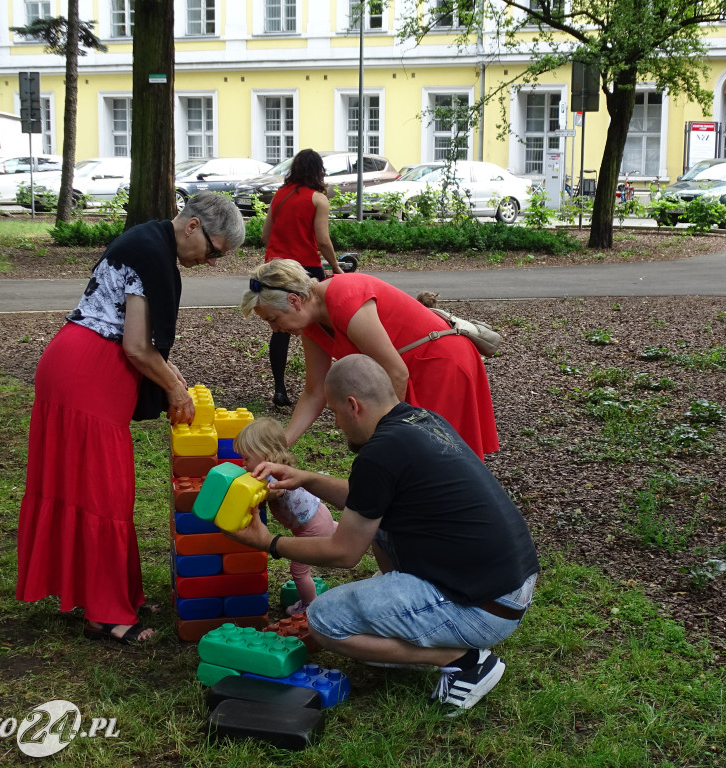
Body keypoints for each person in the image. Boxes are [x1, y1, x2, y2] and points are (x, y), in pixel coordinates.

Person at [229, 354, 538, 714]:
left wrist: (269, 543)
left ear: (353, 405)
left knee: (323, 622)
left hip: (483, 608)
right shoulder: (420, 420)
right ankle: (416, 622)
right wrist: (308, 478)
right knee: (378, 523)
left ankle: (465, 660)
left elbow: (345, 553)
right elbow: (367, 500)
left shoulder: (379, 454)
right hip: (509, 587)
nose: (336, 424)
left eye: (333, 413)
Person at [16, 192, 246, 645]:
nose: (213, 262)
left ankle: (120, 593)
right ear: (194, 227)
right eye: (216, 251)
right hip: (86, 374)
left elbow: (142, 342)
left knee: (101, 492)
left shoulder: (151, 244)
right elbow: (138, 347)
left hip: (82, 367)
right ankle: (104, 613)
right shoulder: (151, 253)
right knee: (103, 492)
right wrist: (175, 387)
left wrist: (172, 374)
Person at [240, 260, 499, 459]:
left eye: (273, 320)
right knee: (414, 458)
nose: (275, 329)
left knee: (439, 457)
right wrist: (283, 443)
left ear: (295, 301)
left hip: (439, 362)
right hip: (409, 367)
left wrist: (383, 440)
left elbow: (395, 373)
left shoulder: (343, 296)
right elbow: (314, 391)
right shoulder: (310, 324)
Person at [260, 148, 343, 407]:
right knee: (322, 327)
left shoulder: (280, 195)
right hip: (305, 268)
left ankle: (279, 389)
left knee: (280, 328)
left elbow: (265, 236)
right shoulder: (318, 199)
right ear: (318, 171)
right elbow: (322, 240)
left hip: (274, 268)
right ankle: (326, 389)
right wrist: (337, 268)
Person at [232, 417, 338, 615]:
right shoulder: (276, 468)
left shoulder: (274, 477)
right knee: (336, 532)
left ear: (265, 455)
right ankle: (366, 536)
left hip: (310, 528)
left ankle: (309, 605)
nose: (243, 463)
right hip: (319, 514)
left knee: (299, 572)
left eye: (246, 458)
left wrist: (251, 497)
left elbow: (275, 491)